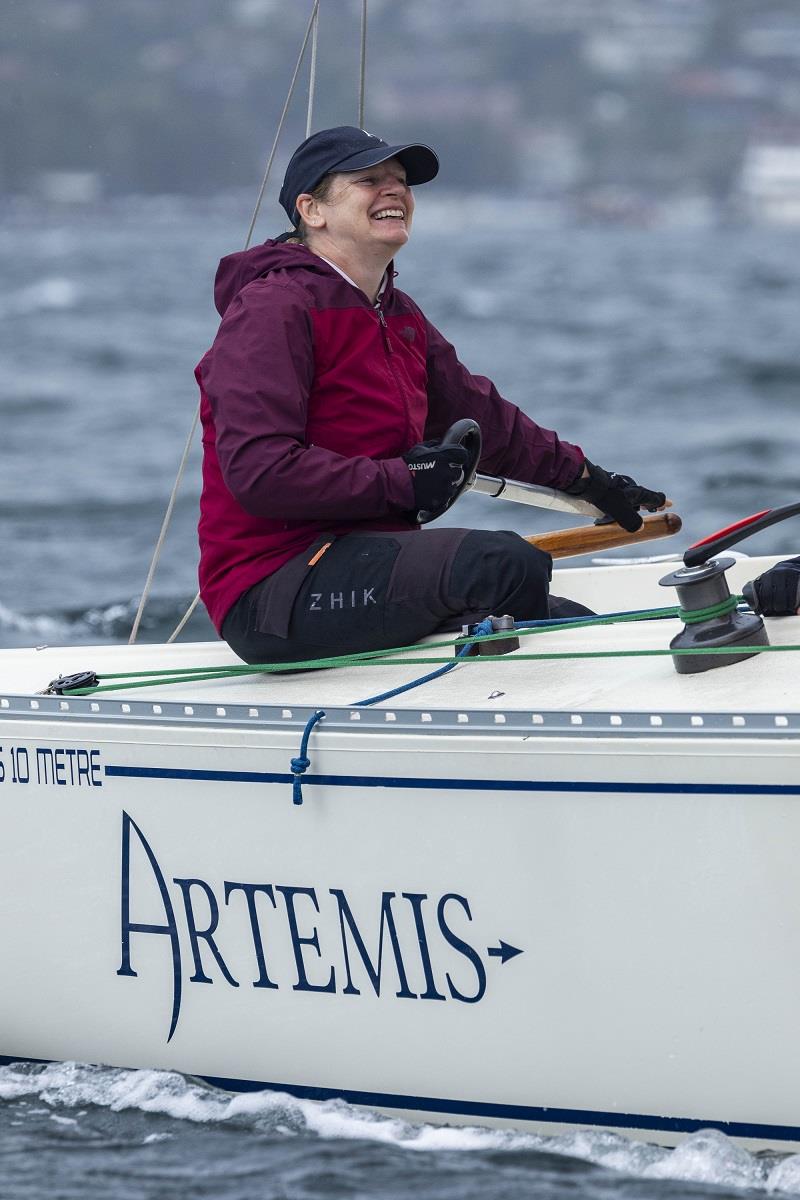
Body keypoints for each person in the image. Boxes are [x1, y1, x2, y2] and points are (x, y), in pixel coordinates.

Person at [196, 125, 666, 664]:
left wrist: (588, 480)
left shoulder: (396, 313)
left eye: (400, 181)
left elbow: (485, 418)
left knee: (576, 624)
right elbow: (261, 473)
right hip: (272, 590)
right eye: (369, 180)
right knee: (503, 564)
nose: (394, 191)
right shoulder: (273, 308)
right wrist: (406, 481)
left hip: (360, 563)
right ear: (312, 209)